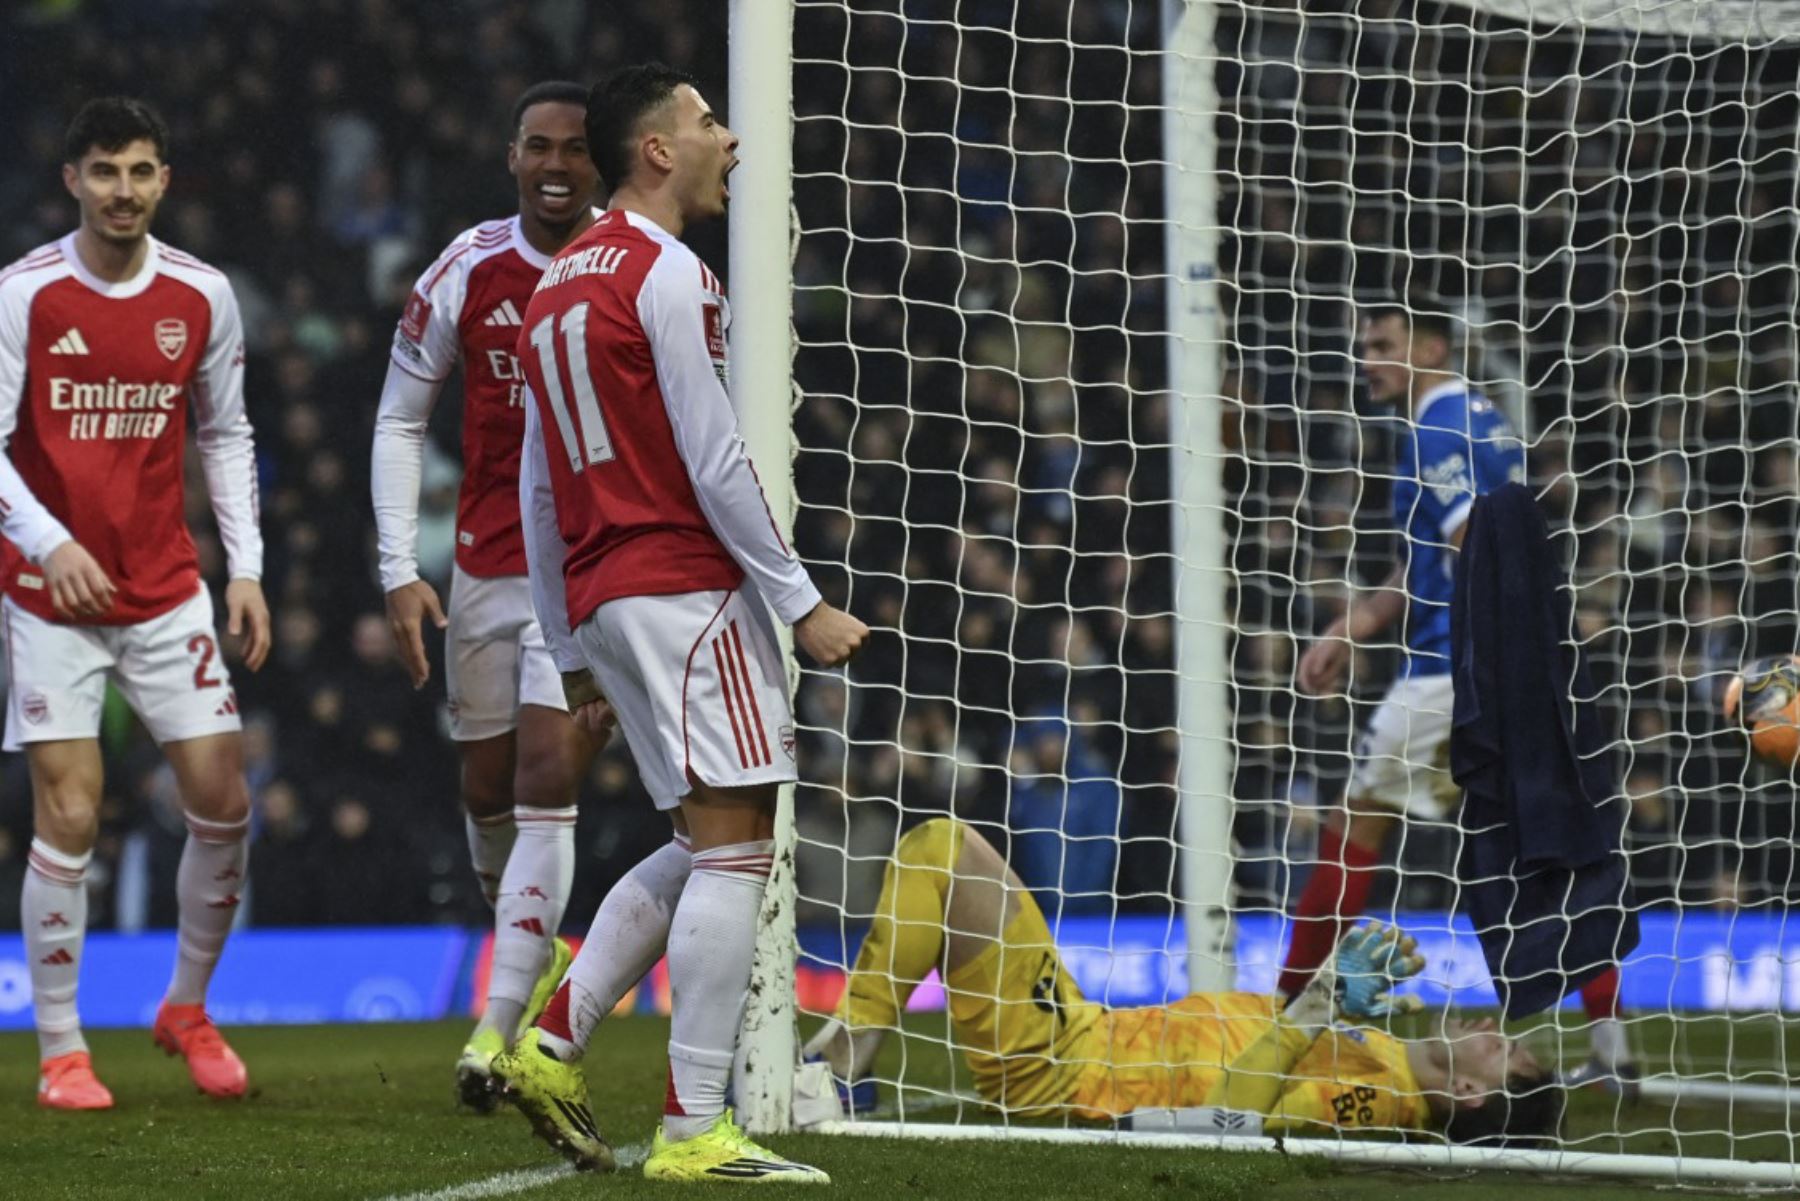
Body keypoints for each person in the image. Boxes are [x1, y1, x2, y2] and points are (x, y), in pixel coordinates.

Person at [492, 64, 868, 1183]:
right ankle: (694, 1124)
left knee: (695, 840)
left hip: (606, 597)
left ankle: (554, 1045)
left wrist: (566, 648)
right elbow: (713, 457)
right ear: (656, 150)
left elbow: (537, 491)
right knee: (740, 843)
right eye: (708, 122)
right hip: (682, 587)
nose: (729, 139)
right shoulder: (669, 274)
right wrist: (800, 603)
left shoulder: (559, 281)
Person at [0, 97, 271, 1109]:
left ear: (164, 182)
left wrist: (243, 569)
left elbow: (227, 435)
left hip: (164, 591)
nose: (124, 190)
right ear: (72, 179)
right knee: (70, 809)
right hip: (48, 595)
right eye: (105, 171)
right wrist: (49, 540)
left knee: (224, 802)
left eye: (142, 171)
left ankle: (186, 1008)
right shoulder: (23, 295)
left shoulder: (203, 294)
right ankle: (63, 1050)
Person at [1286, 299, 1631, 1086]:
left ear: (1432, 345)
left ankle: (1280, 1017)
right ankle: (1612, 1047)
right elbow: (1427, 567)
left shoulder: (1440, 430)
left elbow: (1472, 543)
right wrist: (1351, 626)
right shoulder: (1484, 423)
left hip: (1450, 672)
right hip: (1498, 673)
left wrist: (1494, 667)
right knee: (1551, 843)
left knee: (1356, 822)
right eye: (1362, 344)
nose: (1366, 358)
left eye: (1382, 342)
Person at [805, 818, 1564, 1144]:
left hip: (1066, 1073)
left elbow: (1231, 1120)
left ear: (1471, 1095)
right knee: (944, 849)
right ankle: (844, 1065)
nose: (1495, 1030)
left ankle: (840, 1067)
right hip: (1083, 1026)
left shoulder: (1377, 1102)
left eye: (1506, 1054)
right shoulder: (1378, 1045)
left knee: (942, 849)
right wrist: (1330, 1000)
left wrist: (1322, 1000)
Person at [371, 80, 605, 1109]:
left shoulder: (633, 267)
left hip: (594, 570)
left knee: (550, 771)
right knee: (485, 791)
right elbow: (398, 418)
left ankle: (494, 1030)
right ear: (512, 156)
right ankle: (529, 947)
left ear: (601, 162)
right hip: (486, 566)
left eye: (575, 149)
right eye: (538, 146)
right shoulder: (468, 267)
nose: (556, 164)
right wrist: (395, 568)